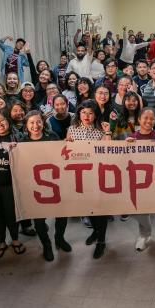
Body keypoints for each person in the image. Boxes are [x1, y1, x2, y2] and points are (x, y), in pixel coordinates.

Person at [66, 100, 112, 259]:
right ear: (78, 113)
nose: (87, 116)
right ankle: (95, 231)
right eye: (84, 112)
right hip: (80, 175)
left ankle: (102, 240)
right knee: (88, 207)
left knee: (100, 209)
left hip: (98, 174)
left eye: (90, 113)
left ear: (95, 115)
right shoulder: (72, 129)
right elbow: (67, 151)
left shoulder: (100, 130)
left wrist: (107, 133)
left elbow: (108, 152)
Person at [22, 110, 69, 261]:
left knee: (62, 215)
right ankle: (47, 245)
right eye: (31, 123)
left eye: (38, 122)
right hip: (35, 187)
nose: (35, 125)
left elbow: (61, 157)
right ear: (26, 125)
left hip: (55, 183)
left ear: (43, 123)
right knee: (39, 220)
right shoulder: (21, 142)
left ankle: (59, 238)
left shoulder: (52, 137)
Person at [125, 108, 155, 252]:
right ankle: (144, 235)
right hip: (140, 181)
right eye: (145, 118)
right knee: (141, 211)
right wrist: (126, 145)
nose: (149, 121)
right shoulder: (132, 137)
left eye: (152, 118)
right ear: (139, 119)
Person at [0, 110, 27, 259]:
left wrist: (18, 150)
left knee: (11, 215)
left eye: (2, 121)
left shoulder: (17, 138)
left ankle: (15, 240)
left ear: (8, 121)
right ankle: (1, 242)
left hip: (10, 186)